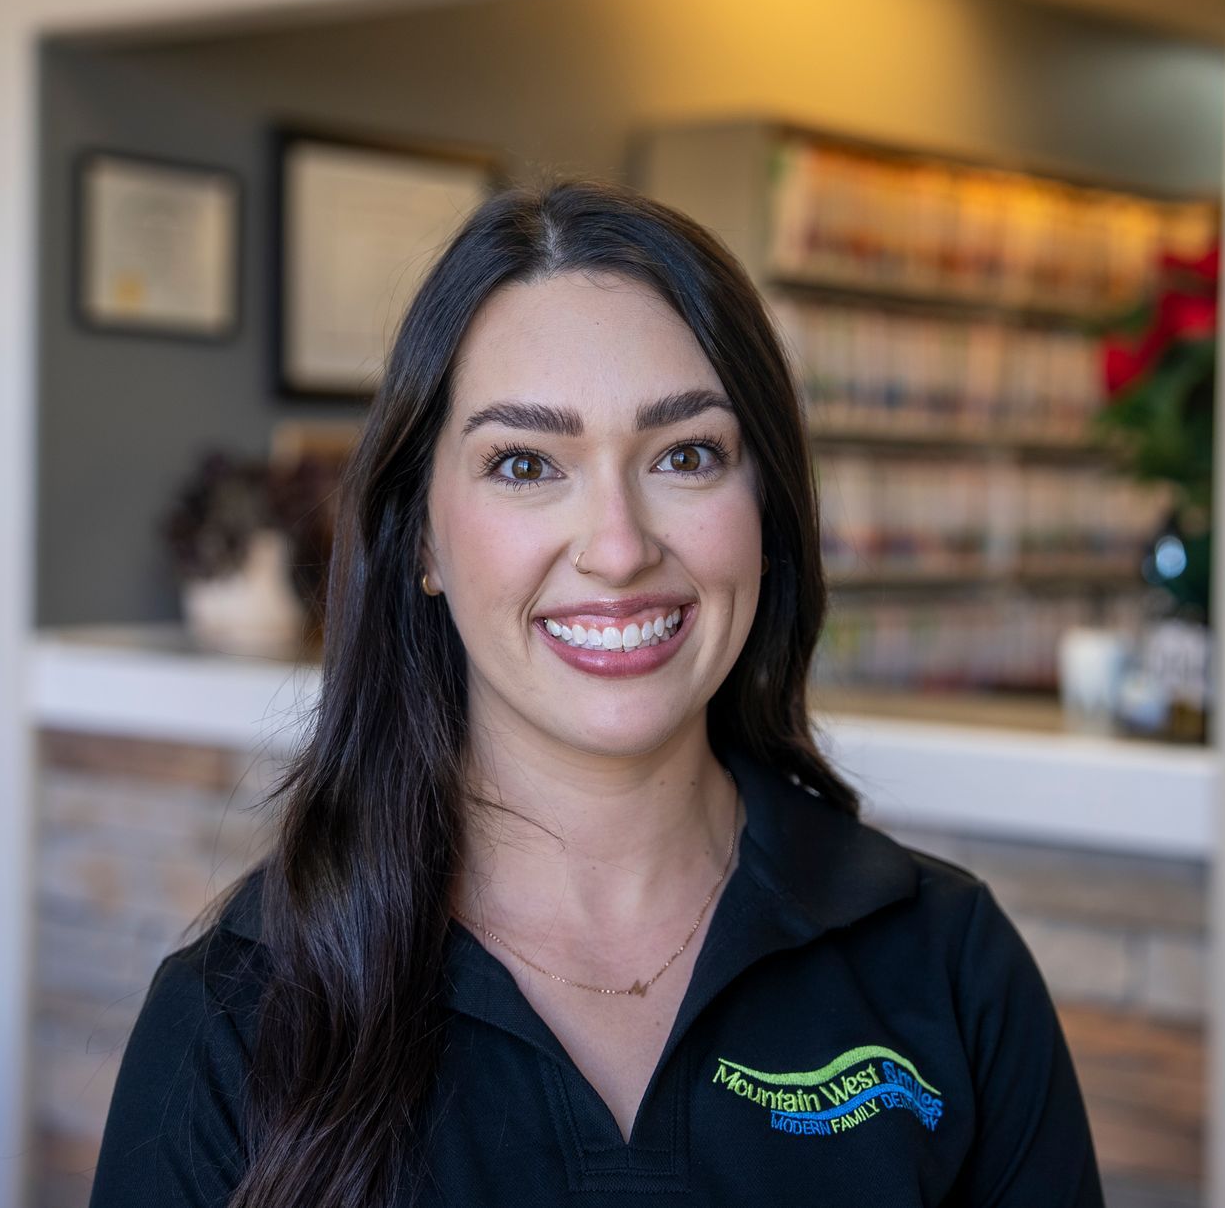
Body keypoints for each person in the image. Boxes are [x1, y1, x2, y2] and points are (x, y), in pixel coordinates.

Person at [87, 180, 1103, 1207]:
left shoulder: (948, 966)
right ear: (423, 538)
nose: (618, 548)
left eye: (687, 455)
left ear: (768, 507)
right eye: (526, 462)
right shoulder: (235, 1017)